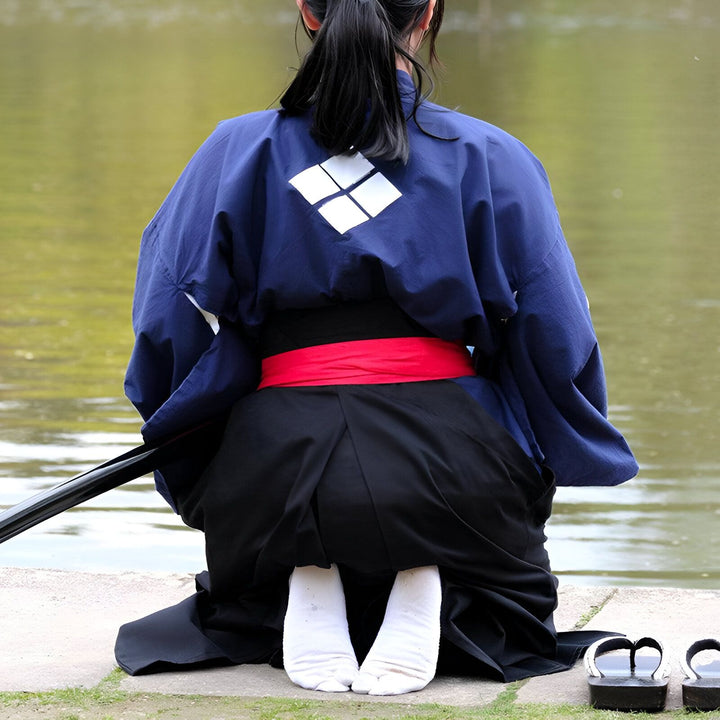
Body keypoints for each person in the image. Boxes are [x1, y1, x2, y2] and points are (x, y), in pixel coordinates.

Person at [115, 0, 638, 696]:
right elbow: (556, 341)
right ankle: (433, 582)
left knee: (259, 541)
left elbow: (165, 325)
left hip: (274, 466)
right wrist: (529, 454)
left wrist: (206, 449)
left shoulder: (232, 151)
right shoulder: (491, 156)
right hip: (449, 467)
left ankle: (310, 570)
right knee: (506, 586)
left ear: (307, 12)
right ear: (426, 15)